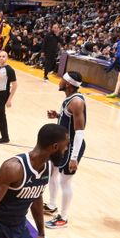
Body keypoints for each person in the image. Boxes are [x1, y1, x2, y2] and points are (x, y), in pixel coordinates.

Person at [44, 71, 87, 229]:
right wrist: (57, 115)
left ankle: (63, 217)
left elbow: (80, 131)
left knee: (65, 181)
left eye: (62, 79)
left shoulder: (77, 102)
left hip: (71, 147)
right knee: (52, 172)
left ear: (68, 84)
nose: (59, 81)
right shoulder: (69, 99)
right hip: (62, 145)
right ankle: (52, 204)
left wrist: (74, 157)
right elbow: (68, 121)